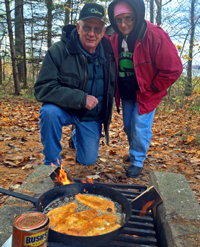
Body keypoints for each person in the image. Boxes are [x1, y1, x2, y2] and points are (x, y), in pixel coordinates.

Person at [105, 0, 183, 178]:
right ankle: (134, 152)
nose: (123, 24)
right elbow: (90, 37)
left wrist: (154, 86)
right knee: (128, 126)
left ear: (137, 15)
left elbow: (174, 68)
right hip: (126, 93)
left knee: (140, 126)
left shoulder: (154, 35)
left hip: (146, 93)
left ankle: (138, 160)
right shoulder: (112, 35)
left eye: (128, 18)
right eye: (118, 20)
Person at [34, 3, 116, 166]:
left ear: (103, 32)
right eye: (87, 27)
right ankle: (51, 163)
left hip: (91, 116)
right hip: (66, 110)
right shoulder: (58, 51)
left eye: (97, 29)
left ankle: (76, 136)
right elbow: (42, 88)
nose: (91, 33)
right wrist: (81, 98)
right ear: (78, 27)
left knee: (87, 161)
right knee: (48, 112)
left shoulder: (109, 54)